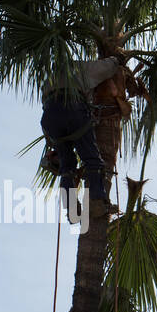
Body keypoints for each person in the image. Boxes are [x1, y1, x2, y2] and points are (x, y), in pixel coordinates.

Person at [40, 56, 125, 218]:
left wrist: (54, 145)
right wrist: (116, 60)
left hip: (50, 118)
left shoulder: (50, 77)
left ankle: (71, 208)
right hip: (74, 109)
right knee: (92, 160)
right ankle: (99, 202)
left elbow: (49, 110)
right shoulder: (79, 67)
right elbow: (105, 69)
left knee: (67, 166)